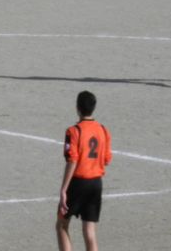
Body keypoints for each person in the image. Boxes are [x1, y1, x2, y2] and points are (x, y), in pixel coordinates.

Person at [56, 90, 112, 251]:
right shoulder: (103, 130)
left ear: (77, 108)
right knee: (89, 231)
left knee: (62, 225)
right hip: (96, 183)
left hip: (77, 183)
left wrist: (64, 189)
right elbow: (107, 159)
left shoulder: (73, 131)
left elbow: (72, 160)